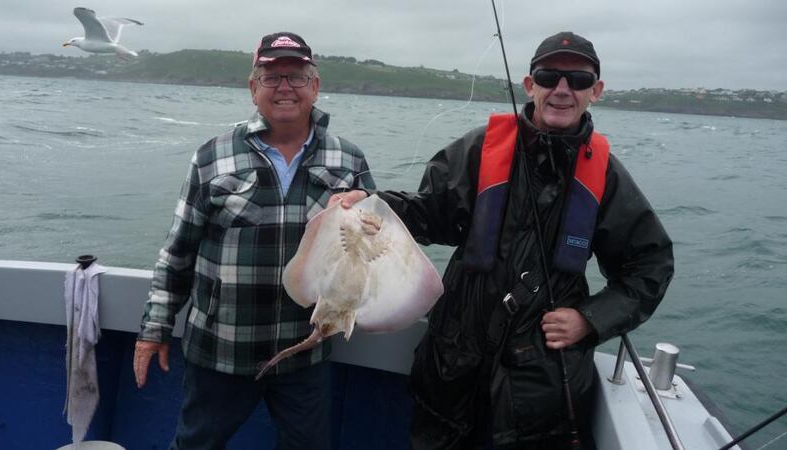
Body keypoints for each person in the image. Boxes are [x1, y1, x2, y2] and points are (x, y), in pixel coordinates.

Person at [332, 31, 674, 449]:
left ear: (596, 91)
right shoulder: (479, 148)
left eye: (578, 80)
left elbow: (650, 264)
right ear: (530, 85)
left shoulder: (607, 176)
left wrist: (591, 318)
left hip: (543, 375)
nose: (562, 90)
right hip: (454, 355)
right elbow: (431, 212)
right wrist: (375, 205)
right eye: (548, 76)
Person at [132, 31, 375, 450]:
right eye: (271, 77)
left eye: (296, 77)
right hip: (221, 350)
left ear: (315, 86)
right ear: (252, 88)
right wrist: (155, 327)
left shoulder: (348, 159)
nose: (284, 87)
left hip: (306, 350)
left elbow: (372, 248)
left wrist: (371, 217)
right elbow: (178, 251)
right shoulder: (213, 156)